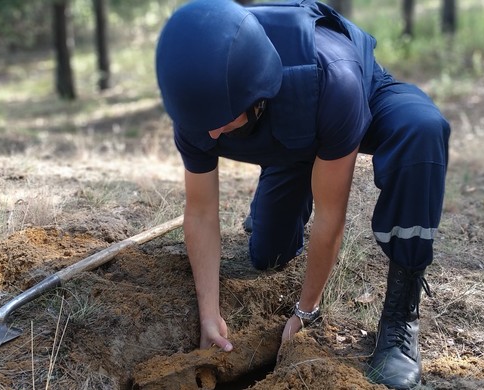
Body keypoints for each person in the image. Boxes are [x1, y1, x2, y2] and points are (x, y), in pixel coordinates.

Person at [155, 0, 450, 388]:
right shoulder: (201, 108)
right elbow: (201, 213)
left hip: (350, 94)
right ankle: (278, 182)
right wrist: (209, 315)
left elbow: (331, 216)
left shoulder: (334, 80)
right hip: (287, 133)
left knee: (422, 131)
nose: (208, 135)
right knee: (267, 255)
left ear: (253, 94)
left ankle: (400, 320)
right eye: (200, 123)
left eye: (217, 123)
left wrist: (306, 311)